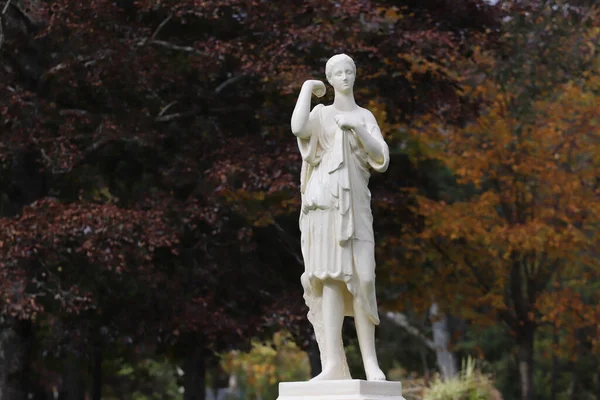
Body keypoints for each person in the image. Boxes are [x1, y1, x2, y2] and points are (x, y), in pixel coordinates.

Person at [290, 54, 389, 381]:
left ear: (355, 76)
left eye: (349, 71)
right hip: (325, 204)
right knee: (330, 279)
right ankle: (332, 364)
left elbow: (381, 157)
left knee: (364, 278)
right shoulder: (321, 114)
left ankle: (371, 363)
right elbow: (298, 127)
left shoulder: (364, 116)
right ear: (330, 79)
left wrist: (359, 129)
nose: (345, 77)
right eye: (338, 73)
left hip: (356, 204)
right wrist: (307, 88)